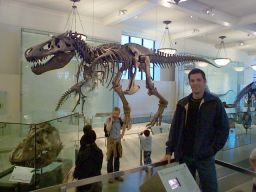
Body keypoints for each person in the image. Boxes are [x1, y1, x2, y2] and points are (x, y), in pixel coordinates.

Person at [163, 68, 229, 192]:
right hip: (185, 155)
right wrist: (169, 150)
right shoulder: (182, 104)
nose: (195, 83)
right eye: (192, 80)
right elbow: (175, 129)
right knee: (186, 188)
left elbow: (224, 128)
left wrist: (212, 149)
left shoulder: (214, 103)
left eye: (198, 80)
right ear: (189, 83)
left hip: (205, 156)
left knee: (210, 188)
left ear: (204, 82)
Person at [105, 107, 125, 183]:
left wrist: (122, 134)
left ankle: (116, 175)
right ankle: (110, 176)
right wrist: (111, 121)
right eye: (114, 113)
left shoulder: (120, 120)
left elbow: (125, 127)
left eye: (116, 113)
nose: (115, 115)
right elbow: (108, 129)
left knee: (117, 159)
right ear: (112, 112)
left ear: (119, 113)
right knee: (110, 159)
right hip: (111, 142)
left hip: (118, 142)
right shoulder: (109, 119)